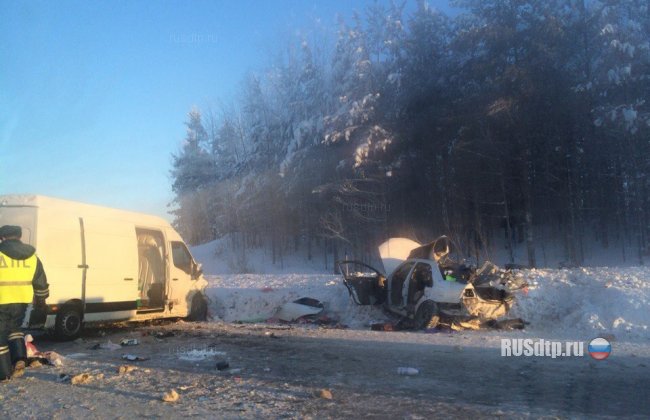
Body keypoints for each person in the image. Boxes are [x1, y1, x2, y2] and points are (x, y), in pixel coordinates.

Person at [0, 225, 49, 381]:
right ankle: (19, 359)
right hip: (22, 300)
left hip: (1, 300)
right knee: (14, 329)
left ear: (2, 238)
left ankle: (3, 373)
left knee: (0, 336)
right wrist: (41, 300)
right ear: (20, 236)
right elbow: (40, 281)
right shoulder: (32, 257)